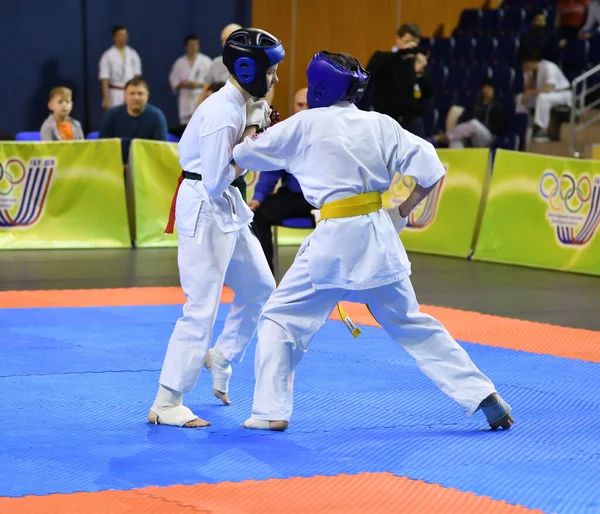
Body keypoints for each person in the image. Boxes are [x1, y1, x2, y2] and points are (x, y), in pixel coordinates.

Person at [231, 51, 513, 432]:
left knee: (281, 319)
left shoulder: (304, 124)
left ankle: (270, 411)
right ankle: (483, 395)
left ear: (318, 87)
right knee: (412, 323)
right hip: (378, 236)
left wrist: (253, 120)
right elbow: (431, 168)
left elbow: (243, 154)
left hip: (332, 242)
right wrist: (402, 210)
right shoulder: (380, 124)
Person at [148, 28, 285, 428]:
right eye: (271, 71)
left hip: (227, 206)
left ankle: (222, 354)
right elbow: (214, 179)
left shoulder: (244, 103)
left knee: (261, 287)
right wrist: (251, 149)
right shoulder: (222, 112)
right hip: (206, 205)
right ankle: (166, 400)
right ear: (247, 69)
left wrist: (253, 132)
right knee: (200, 307)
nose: (275, 78)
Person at [249, 87, 314, 272]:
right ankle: (265, 275)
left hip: (320, 197)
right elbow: (271, 171)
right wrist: (258, 198)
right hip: (292, 195)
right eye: (299, 105)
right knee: (257, 216)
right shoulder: (285, 133)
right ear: (293, 106)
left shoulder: (328, 133)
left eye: (308, 105)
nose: (303, 109)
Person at [363, 23, 433, 138]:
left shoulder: (416, 62)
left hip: (411, 121)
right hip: (387, 120)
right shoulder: (383, 58)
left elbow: (428, 92)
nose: (411, 46)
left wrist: (420, 72)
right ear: (398, 39)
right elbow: (370, 75)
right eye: (407, 41)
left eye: (415, 43)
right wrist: (401, 53)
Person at [516, 50, 571, 143]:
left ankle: (542, 130)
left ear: (531, 61)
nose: (524, 66)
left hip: (562, 93)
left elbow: (548, 89)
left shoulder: (549, 67)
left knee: (543, 97)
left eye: (526, 63)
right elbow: (527, 91)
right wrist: (528, 77)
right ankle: (522, 125)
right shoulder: (530, 71)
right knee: (520, 97)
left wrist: (529, 93)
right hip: (546, 95)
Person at [433, 79, 507, 148]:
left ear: (493, 90)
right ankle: (457, 161)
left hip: (488, 137)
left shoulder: (498, 106)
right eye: (484, 88)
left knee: (474, 123)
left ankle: (441, 137)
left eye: (489, 88)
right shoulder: (476, 105)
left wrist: (480, 125)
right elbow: (463, 118)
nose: (486, 90)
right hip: (472, 137)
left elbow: (498, 127)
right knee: (455, 140)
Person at [99, 77, 168, 142]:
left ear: (147, 96)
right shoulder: (111, 115)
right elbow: (102, 148)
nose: (136, 98)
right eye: (131, 93)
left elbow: (161, 150)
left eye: (140, 94)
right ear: (125, 96)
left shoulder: (156, 116)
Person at [169, 34, 213, 127]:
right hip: (185, 102)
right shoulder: (180, 63)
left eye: (195, 45)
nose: (193, 47)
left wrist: (197, 85)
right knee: (185, 129)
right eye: (191, 45)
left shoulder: (206, 61)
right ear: (186, 46)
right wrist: (183, 84)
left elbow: (212, 84)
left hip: (201, 99)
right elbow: (174, 84)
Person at [99, 26, 142, 110]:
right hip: (114, 92)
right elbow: (104, 79)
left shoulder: (132, 53)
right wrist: (107, 100)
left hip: (130, 91)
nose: (123, 38)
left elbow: (137, 75)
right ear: (114, 37)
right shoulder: (107, 55)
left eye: (125, 35)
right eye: (120, 35)